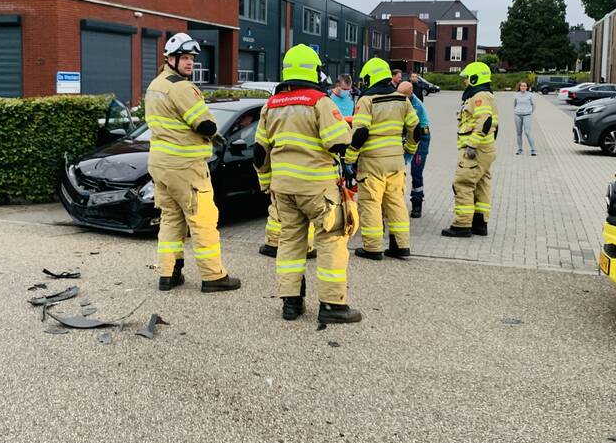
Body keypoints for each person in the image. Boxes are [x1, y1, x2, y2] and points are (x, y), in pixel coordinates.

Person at [254, 44, 361, 323]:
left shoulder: (271, 105)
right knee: (331, 240)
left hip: (283, 189)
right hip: (317, 189)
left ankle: (291, 304)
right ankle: (332, 306)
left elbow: (259, 153)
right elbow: (338, 141)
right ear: (313, 71)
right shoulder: (319, 102)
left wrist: (266, 184)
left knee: (289, 241)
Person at [144, 32, 241, 293]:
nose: (189, 63)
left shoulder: (155, 85)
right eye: (184, 58)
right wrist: (215, 135)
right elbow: (205, 124)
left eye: (191, 58)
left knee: (171, 219)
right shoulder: (182, 87)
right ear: (170, 59)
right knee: (203, 219)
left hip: (160, 164)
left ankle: (168, 274)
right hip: (185, 166)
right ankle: (213, 276)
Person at [348, 57, 419, 260]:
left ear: (370, 78)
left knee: (370, 202)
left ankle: (372, 248)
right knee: (396, 202)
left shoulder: (366, 101)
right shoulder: (402, 99)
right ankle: (401, 246)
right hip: (396, 162)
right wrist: (410, 150)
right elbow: (416, 128)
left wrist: (350, 158)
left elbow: (360, 133)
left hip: (372, 163)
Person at [442, 61, 498, 238]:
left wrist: (472, 145)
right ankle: (480, 223)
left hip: (475, 151)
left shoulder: (479, 96)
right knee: (481, 185)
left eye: (467, 78)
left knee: (463, 183)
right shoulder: (483, 95)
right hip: (485, 150)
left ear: (475, 78)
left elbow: (485, 121)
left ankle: (462, 224)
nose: (464, 81)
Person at [398, 80, 431, 218]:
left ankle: (417, 203)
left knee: (416, 171)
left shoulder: (416, 105)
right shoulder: (403, 100)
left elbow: (412, 128)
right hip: (410, 136)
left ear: (410, 93)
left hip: (421, 138)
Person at [514, 81, 537, 156]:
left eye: (524, 86)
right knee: (518, 133)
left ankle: (533, 150)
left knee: (527, 132)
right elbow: (514, 105)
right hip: (518, 115)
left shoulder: (530, 95)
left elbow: (533, 105)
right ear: (519, 87)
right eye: (521, 86)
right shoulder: (516, 95)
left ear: (527, 87)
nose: (523, 87)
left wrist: (530, 112)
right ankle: (520, 149)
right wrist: (517, 111)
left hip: (527, 115)